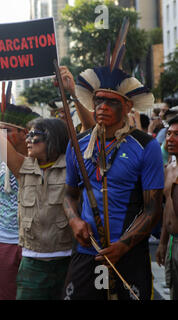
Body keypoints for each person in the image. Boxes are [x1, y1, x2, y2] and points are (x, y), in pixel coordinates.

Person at [60, 57, 163, 299]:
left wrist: (123, 245)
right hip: (87, 252)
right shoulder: (78, 144)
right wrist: (75, 220)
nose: (102, 107)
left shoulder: (146, 147)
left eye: (111, 102)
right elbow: (69, 194)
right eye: (98, 100)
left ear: (127, 106)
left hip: (128, 254)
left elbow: (152, 208)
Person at [0, 76, 73, 300]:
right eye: (28, 134)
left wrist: (73, 94)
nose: (29, 139)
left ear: (54, 140)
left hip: (67, 257)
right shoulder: (23, 168)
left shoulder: (73, 167)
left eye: (35, 135)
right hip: (32, 257)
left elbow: (85, 134)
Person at [0, 104, 32, 300]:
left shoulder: (38, 160)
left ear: (24, 134)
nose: (0, 135)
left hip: (33, 244)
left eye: (6, 131)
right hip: (4, 241)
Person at [156, 116, 178, 300]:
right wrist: (163, 242)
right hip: (172, 242)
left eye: (177, 134)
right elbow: (167, 209)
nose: (170, 138)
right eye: (169, 133)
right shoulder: (169, 169)